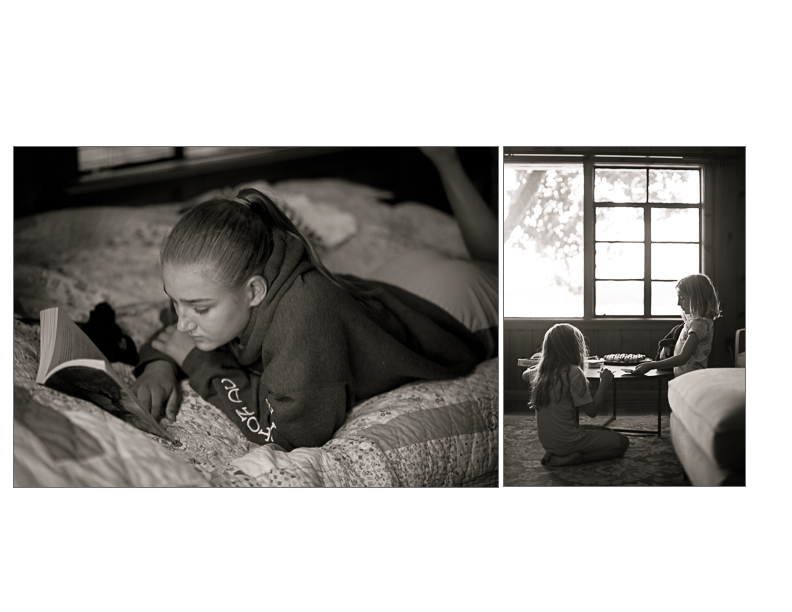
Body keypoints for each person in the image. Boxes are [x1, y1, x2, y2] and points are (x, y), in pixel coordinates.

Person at [130, 149, 497, 451]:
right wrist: (159, 364)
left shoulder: (301, 319)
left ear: (255, 291)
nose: (182, 322)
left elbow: (290, 433)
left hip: (450, 306)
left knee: (505, 268)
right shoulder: (240, 273)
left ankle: (447, 160)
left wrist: (197, 362)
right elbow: (175, 329)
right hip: (390, 283)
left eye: (199, 309)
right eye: (177, 303)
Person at [523, 323, 629, 468]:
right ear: (575, 347)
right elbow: (592, 411)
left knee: (604, 431)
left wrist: (541, 363)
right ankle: (575, 459)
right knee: (623, 442)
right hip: (568, 441)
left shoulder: (541, 373)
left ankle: (560, 454)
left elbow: (524, 375)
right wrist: (604, 383)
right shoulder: (573, 372)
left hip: (549, 443)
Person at [632, 273, 722, 377]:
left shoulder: (699, 325)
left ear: (697, 298)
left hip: (690, 378)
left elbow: (683, 358)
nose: (678, 303)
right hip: (687, 377)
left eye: (682, 298)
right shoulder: (696, 323)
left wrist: (650, 365)